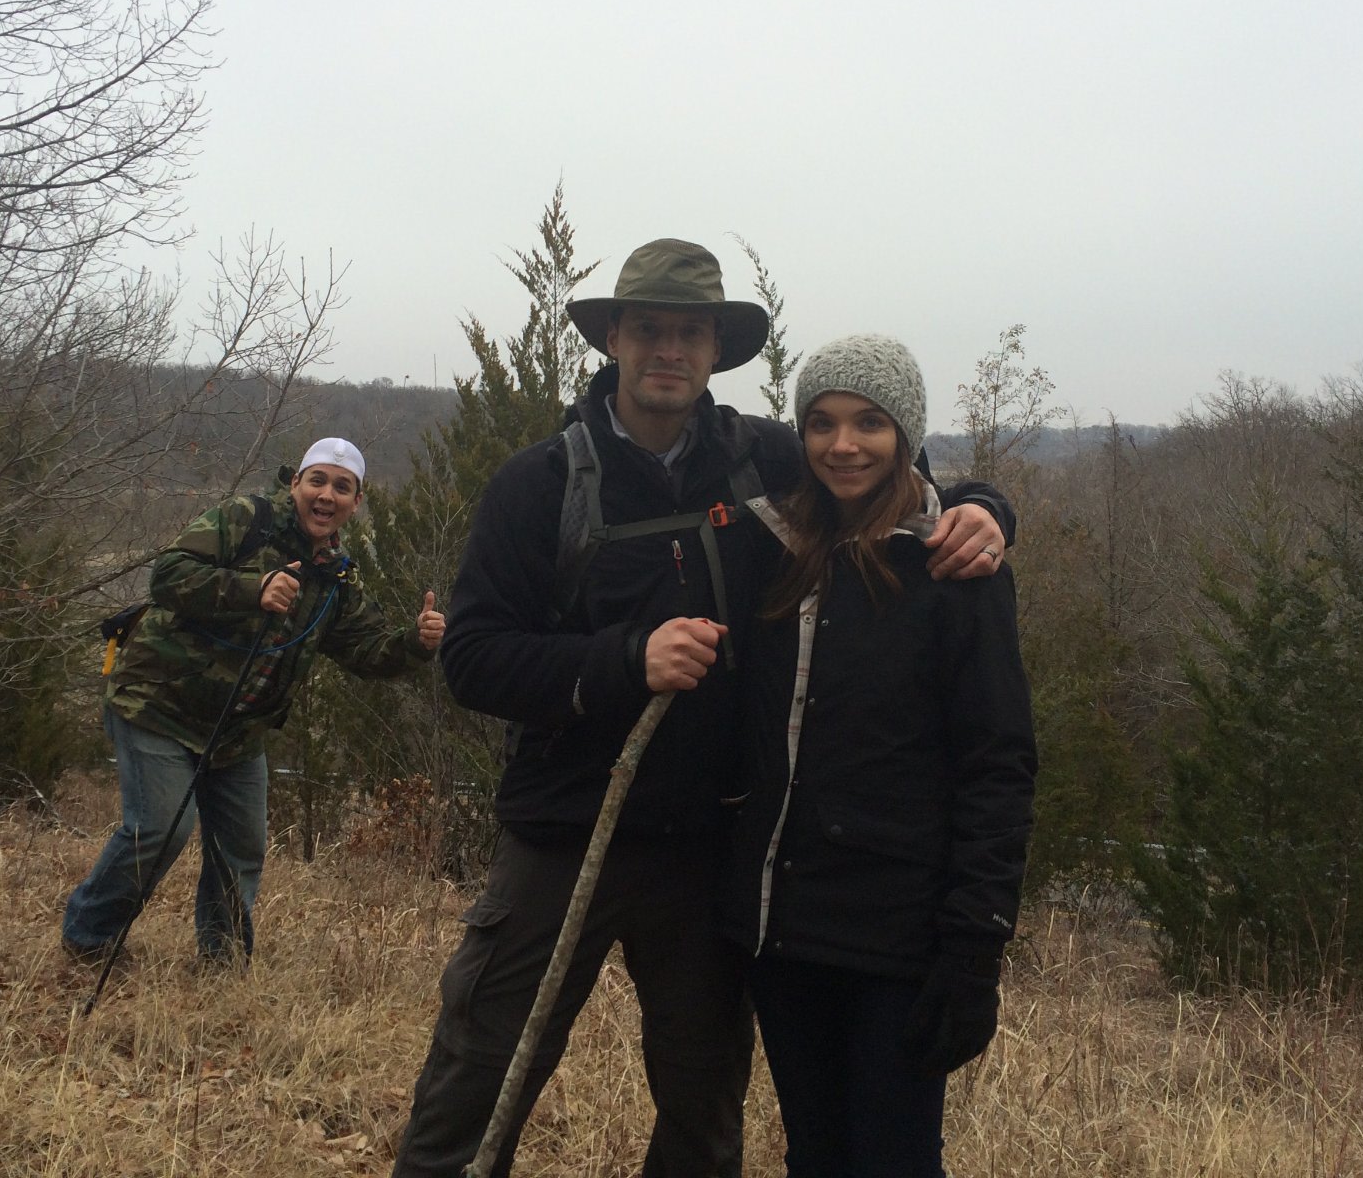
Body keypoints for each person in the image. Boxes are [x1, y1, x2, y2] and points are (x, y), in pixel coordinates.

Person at [391, 240, 1015, 1178]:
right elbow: (475, 659)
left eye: (692, 332)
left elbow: (886, 480)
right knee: (477, 1082)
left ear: (717, 348)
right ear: (612, 339)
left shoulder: (765, 459)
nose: (670, 350)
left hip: (708, 854)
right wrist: (623, 661)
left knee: (703, 1109)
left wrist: (986, 505)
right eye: (650, 329)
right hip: (564, 835)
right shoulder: (542, 483)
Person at [723, 334, 1036, 1178]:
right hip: (784, 934)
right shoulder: (775, 549)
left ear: (908, 432)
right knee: (816, 1155)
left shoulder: (955, 568)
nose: (843, 444)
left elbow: (998, 768)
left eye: (870, 422)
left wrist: (975, 951)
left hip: (900, 940)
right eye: (821, 423)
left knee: (894, 1159)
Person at [61, 437, 445, 964]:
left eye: (342, 486)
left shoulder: (336, 577)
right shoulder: (246, 520)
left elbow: (365, 649)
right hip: (157, 703)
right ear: (296, 484)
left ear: (356, 503)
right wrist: (252, 588)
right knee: (158, 828)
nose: (326, 495)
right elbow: (168, 575)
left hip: (238, 733)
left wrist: (415, 643)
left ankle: (224, 961)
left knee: (240, 850)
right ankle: (89, 937)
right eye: (317, 480)